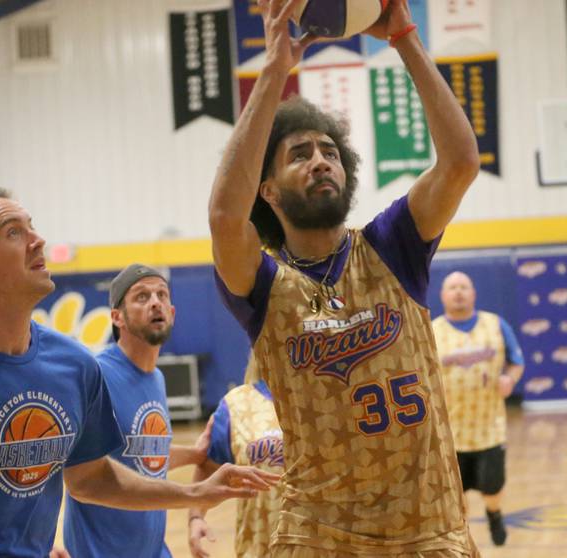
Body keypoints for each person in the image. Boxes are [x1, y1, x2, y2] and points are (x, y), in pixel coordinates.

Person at [0, 190, 279, 558]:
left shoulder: (73, 366)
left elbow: (91, 479)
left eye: (32, 226)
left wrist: (195, 493)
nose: (38, 241)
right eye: (14, 232)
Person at [207, 0, 481, 555]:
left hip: (429, 530)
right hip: (316, 534)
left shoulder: (392, 246)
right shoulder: (262, 283)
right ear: (269, 189)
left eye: (330, 151)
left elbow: (459, 163)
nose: (320, 160)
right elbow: (222, 218)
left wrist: (404, 36)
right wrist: (275, 70)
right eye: (300, 154)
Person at [63, 263, 214, 558]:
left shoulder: (156, 378)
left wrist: (195, 454)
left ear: (172, 312)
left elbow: (141, 457)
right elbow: (80, 471)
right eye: (142, 297)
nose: (156, 301)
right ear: (117, 317)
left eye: (162, 295)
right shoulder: (97, 375)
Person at [432, 271, 525, 547]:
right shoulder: (432, 330)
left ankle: (494, 513)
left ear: (473, 293)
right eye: (452, 287)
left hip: (489, 427)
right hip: (450, 432)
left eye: (464, 286)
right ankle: (462, 537)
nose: (458, 291)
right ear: (443, 295)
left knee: (492, 486)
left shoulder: (495, 325)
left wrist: (510, 378)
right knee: (455, 495)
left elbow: (517, 361)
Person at [188, 353, 284, 558]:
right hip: (258, 548)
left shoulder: (328, 396)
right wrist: (196, 517)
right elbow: (209, 468)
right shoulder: (237, 404)